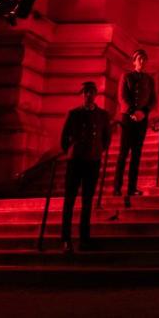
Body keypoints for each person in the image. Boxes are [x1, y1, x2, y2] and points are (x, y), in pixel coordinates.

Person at [60, 81, 111, 253]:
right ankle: (66, 238)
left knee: (87, 201)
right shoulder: (73, 114)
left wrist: (96, 151)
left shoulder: (103, 115)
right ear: (82, 95)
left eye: (90, 92)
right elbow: (64, 138)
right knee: (69, 200)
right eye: (85, 92)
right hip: (75, 161)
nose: (88, 95)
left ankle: (84, 238)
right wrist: (71, 151)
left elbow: (106, 139)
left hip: (92, 161)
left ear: (95, 94)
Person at [114, 49, 155, 206]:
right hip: (128, 118)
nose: (142, 62)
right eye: (139, 59)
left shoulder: (149, 80)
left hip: (142, 119)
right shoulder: (126, 76)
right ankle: (117, 187)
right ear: (134, 61)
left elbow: (152, 99)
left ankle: (131, 187)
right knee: (123, 152)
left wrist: (143, 112)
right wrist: (132, 111)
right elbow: (122, 96)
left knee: (136, 154)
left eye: (144, 59)